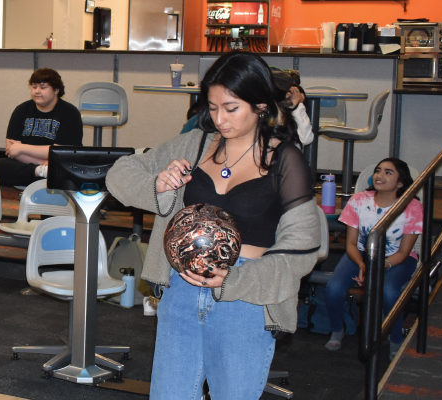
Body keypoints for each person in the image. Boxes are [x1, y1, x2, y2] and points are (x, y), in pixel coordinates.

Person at [106, 51, 320, 399]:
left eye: (231, 108)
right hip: (181, 290)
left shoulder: (284, 159)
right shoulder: (195, 144)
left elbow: (305, 245)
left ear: (261, 106)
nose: (220, 118)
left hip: (246, 298)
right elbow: (120, 173)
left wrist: (236, 279)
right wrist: (158, 184)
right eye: (213, 106)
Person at [324, 157, 422, 356]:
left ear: (401, 182)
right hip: (361, 253)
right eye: (378, 170)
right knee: (333, 288)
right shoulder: (359, 200)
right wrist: (362, 264)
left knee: (389, 291)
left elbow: (404, 252)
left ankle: (395, 340)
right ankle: (337, 329)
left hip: (396, 258)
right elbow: (350, 244)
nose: (380, 175)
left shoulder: (412, 206)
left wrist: (377, 267)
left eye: (388, 172)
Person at [0, 68, 83, 188]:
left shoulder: (70, 113)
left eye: (43, 87)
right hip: (33, 164)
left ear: (56, 90)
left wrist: (22, 148)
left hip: (59, 163)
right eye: (34, 87)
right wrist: (43, 165)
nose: (37, 91)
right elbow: (11, 150)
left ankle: (38, 176)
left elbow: (60, 153)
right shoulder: (22, 110)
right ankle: (42, 173)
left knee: (67, 168)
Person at [269, 67, 313, 146]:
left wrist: (298, 106)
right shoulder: (266, 111)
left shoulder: (295, 111)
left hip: (289, 154)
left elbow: (306, 139)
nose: (289, 95)